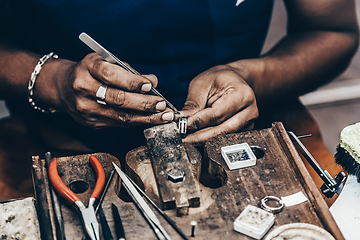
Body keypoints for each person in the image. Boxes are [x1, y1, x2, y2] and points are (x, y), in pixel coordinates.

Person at [0, 0, 358, 204]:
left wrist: (252, 77)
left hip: (245, 127)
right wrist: (52, 81)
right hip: (53, 142)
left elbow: (333, 32)